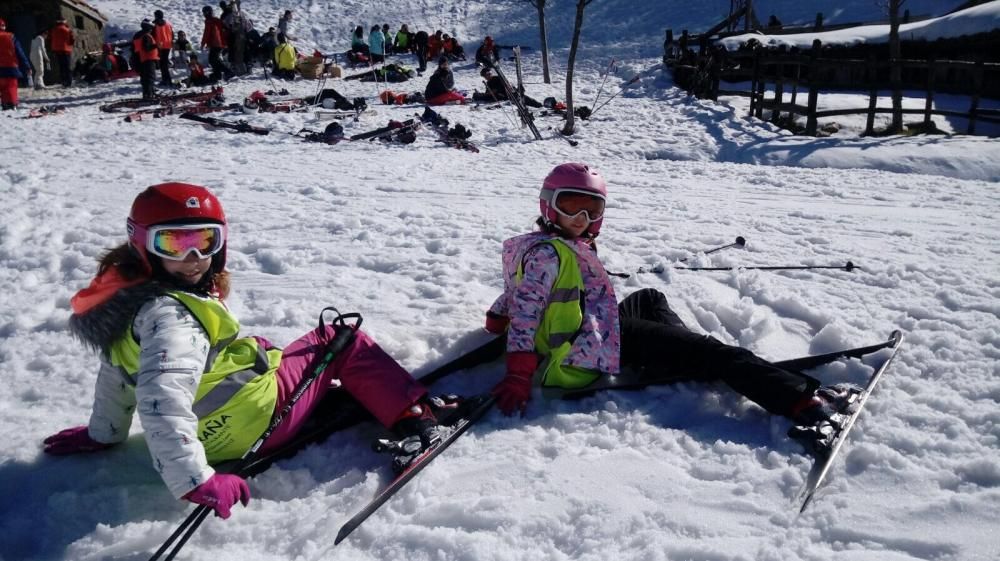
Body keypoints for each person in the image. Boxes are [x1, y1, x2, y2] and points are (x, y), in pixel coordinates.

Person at [43, 183, 447, 517]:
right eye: (173, 244)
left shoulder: (121, 306)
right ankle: (415, 418)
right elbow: (161, 400)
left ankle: (329, 400)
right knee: (337, 339)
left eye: (204, 241)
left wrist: (104, 434)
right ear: (142, 244)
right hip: (251, 424)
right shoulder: (174, 319)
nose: (193, 259)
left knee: (269, 349)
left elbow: (118, 376)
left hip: (206, 433)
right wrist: (196, 482)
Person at [486, 163, 862, 450]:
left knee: (649, 298)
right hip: (583, 350)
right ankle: (802, 403)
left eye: (592, 209)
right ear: (548, 206)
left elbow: (517, 294)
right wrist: (519, 372)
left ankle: (682, 352)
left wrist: (495, 317)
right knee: (714, 353)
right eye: (571, 207)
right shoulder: (548, 256)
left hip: (595, 328)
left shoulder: (533, 245)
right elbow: (527, 310)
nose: (581, 220)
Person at [0, 18, 31, 110]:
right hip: (11, 66)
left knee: (3, 86)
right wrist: (27, 66)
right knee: (11, 87)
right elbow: (20, 53)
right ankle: (12, 104)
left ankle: (5, 104)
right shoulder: (11, 37)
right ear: (4, 26)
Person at [472, 67, 541, 107]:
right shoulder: (488, 83)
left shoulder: (498, 78)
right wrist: (488, 93)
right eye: (485, 76)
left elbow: (504, 86)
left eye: (488, 74)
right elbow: (488, 93)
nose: (487, 77)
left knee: (525, 99)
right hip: (503, 97)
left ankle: (539, 105)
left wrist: (494, 91)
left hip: (510, 94)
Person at [201, 6, 231, 81]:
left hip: (215, 43)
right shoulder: (216, 20)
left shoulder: (209, 21)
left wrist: (203, 43)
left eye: (205, 12)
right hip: (220, 43)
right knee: (214, 59)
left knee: (213, 60)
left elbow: (206, 33)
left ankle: (227, 72)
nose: (204, 14)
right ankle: (217, 74)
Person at [132, 19, 159, 100]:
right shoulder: (146, 36)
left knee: (144, 78)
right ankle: (149, 95)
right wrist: (156, 45)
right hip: (148, 59)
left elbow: (134, 49)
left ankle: (147, 93)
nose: (152, 29)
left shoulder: (137, 35)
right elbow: (146, 48)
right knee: (150, 77)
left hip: (140, 59)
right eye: (151, 27)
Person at [49, 17, 74, 87]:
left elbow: (51, 39)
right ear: (64, 22)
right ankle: (69, 82)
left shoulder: (53, 30)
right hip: (66, 50)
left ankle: (63, 81)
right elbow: (72, 40)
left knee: (61, 67)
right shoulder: (67, 30)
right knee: (67, 66)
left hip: (57, 51)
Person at [152, 10, 174, 86]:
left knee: (163, 65)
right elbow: (172, 34)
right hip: (168, 45)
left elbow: (155, 36)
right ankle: (168, 79)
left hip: (161, 47)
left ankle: (166, 80)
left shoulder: (157, 25)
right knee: (164, 63)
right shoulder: (168, 24)